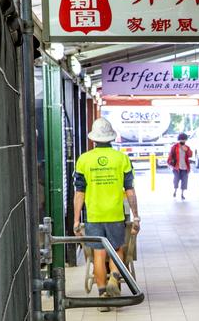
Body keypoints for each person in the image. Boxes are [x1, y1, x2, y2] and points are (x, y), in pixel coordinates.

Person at [73, 118, 140, 312]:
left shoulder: (84, 159)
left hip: (94, 215)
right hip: (115, 214)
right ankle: (115, 277)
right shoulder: (121, 159)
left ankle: (102, 296)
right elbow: (130, 190)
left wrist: (77, 220)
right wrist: (136, 216)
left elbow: (79, 192)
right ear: (111, 138)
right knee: (117, 249)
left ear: (94, 139)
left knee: (99, 254)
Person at [168, 132, 193, 200]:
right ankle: (175, 191)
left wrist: (187, 150)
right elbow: (170, 156)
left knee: (184, 181)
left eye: (184, 139)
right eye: (181, 139)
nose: (183, 141)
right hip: (177, 167)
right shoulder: (175, 147)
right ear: (179, 140)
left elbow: (190, 155)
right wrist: (170, 163)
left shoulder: (187, 147)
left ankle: (182, 194)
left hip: (185, 168)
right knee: (176, 179)